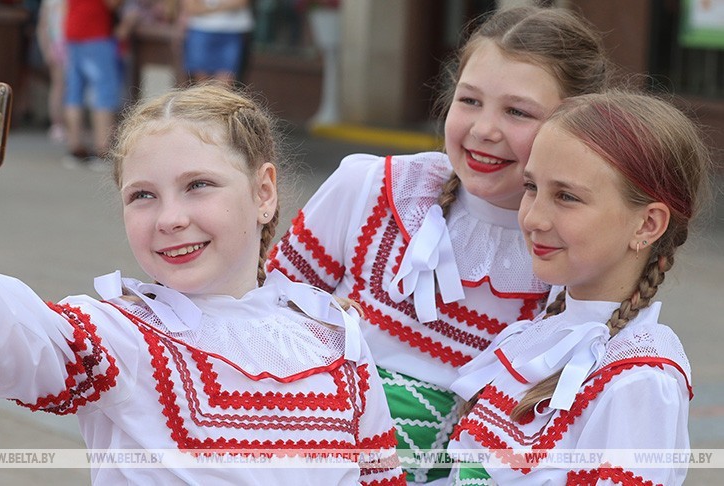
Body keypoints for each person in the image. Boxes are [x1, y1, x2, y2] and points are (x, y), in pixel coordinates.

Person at [0, 81, 404, 485]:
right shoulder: (119, 339)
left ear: (264, 193)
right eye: (143, 195)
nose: (169, 218)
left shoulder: (335, 336)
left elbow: (381, 478)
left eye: (199, 185)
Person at [266, 5, 611, 482]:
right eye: (470, 100)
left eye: (517, 111)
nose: (485, 129)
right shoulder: (371, 188)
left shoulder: (577, 253)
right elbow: (260, 312)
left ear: (578, 125)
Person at [446, 89, 713, 485]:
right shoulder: (534, 338)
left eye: (567, 197)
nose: (533, 218)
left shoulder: (638, 379)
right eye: (532, 188)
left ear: (647, 224)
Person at [62, 0, 123, 170]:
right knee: (104, 92)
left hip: (73, 31)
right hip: (96, 32)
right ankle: (102, 149)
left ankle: (75, 147)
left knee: (74, 93)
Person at [180, 0, 253, 85]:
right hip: (200, 30)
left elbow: (241, 3)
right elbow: (191, 7)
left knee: (225, 84)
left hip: (232, 31)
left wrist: (207, 7)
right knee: (201, 84)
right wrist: (225, 6)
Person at [36, 0, 67, 143]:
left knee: (61, 87)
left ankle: (62, 125)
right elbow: (43, 26)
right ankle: (58, 124)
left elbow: (42, 27)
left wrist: (46, 49)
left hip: (64, 44)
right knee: (60, 86)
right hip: (61, 45)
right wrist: (46, 50)